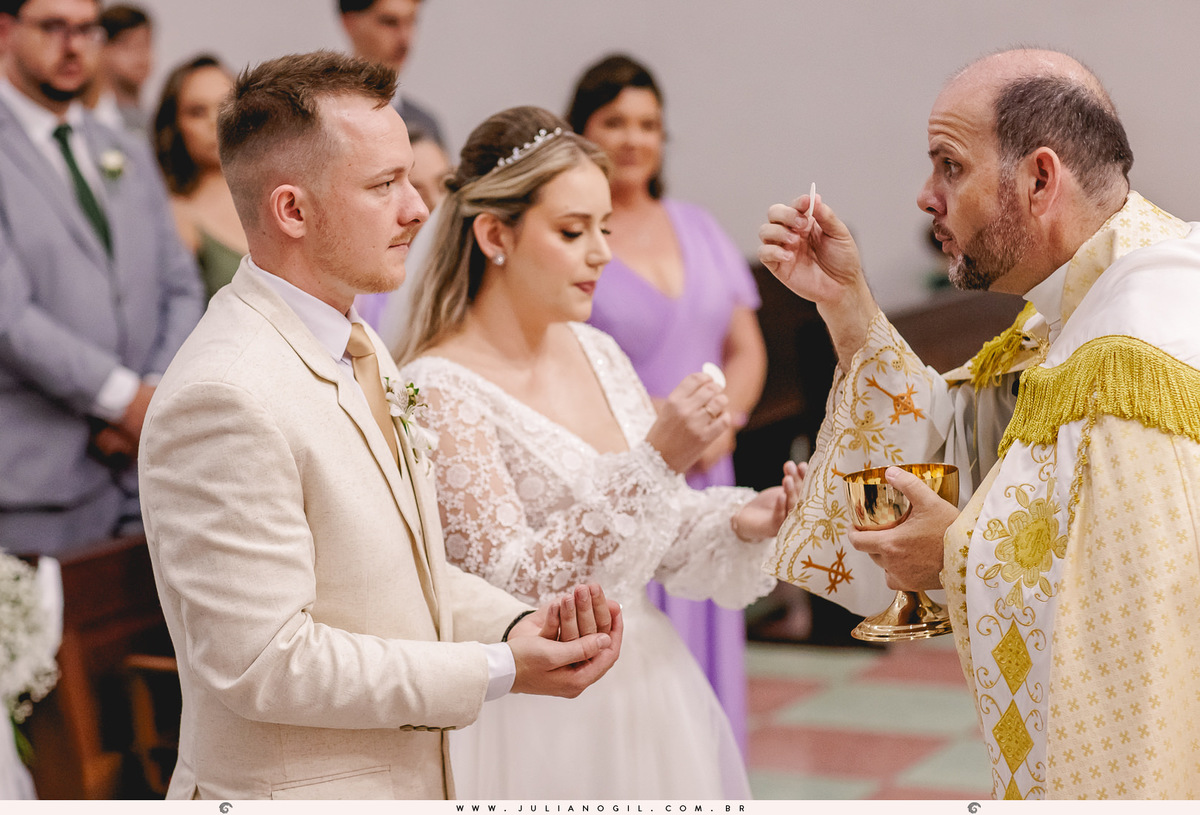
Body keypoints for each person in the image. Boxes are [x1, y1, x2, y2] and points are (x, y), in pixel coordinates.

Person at [137, 51, 623, 801]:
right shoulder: (224, 394)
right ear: (292, 210)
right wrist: (498, 671)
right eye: (384, 185)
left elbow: (399, 574)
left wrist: (519, 624)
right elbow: (266, 661)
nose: (419, 209)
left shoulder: (360, 347)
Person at [759, 48, 1200, 800]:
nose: (925, 196)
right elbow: (974, 437)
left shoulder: (1142, 344)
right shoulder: (1094, 305)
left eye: (949, 166)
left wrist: (951, 557)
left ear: (1039, 178)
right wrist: (850, 309)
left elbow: (1136, 633)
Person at [397, 105, 800, 798]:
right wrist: (656, 457)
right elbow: (513, 583)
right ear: (494, 233)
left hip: (645, 688)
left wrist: (740, 521)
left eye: (604, 228)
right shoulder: (438, 389)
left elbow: (657, 533)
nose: (601, 253)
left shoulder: (597, 350)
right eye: (572, 231)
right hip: (529, 714)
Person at [566, 53, 768, 747]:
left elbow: (747, 346)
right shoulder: (573, 239)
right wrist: (662, 425)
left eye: (648, 124)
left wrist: (721, 422)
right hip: (626, 466)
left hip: (709, 466)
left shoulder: (699, 224)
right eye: (614, 121)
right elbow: (559, 354)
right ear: (582, 131)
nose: (632, 138)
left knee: (710, 652)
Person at [0, 0, 205, 557]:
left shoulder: (125, 148)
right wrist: (122, 400)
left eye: (86, 29)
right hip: (38, 481)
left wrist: (155, 391)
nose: (73, 46)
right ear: (6, 30)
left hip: (145, 470)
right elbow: (9, 317)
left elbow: (180, 285)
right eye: (52, 27)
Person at [153, 54, 247, 299]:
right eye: (197, 112)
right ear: (174, 124)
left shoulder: (282, 192)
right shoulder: (176, 215)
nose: (214, 121)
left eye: (226, 105)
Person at [339, 0, 443, 147]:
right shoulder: (323, 118)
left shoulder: (426, 124)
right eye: (389, 22)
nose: (405, 39)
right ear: (350, 23)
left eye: (411, 21)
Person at [89, 4, 152, 133]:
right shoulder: (91, 118)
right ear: (102, 49)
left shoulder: (156, 119)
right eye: (128, 46)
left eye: (146, 44)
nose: (140, 55)